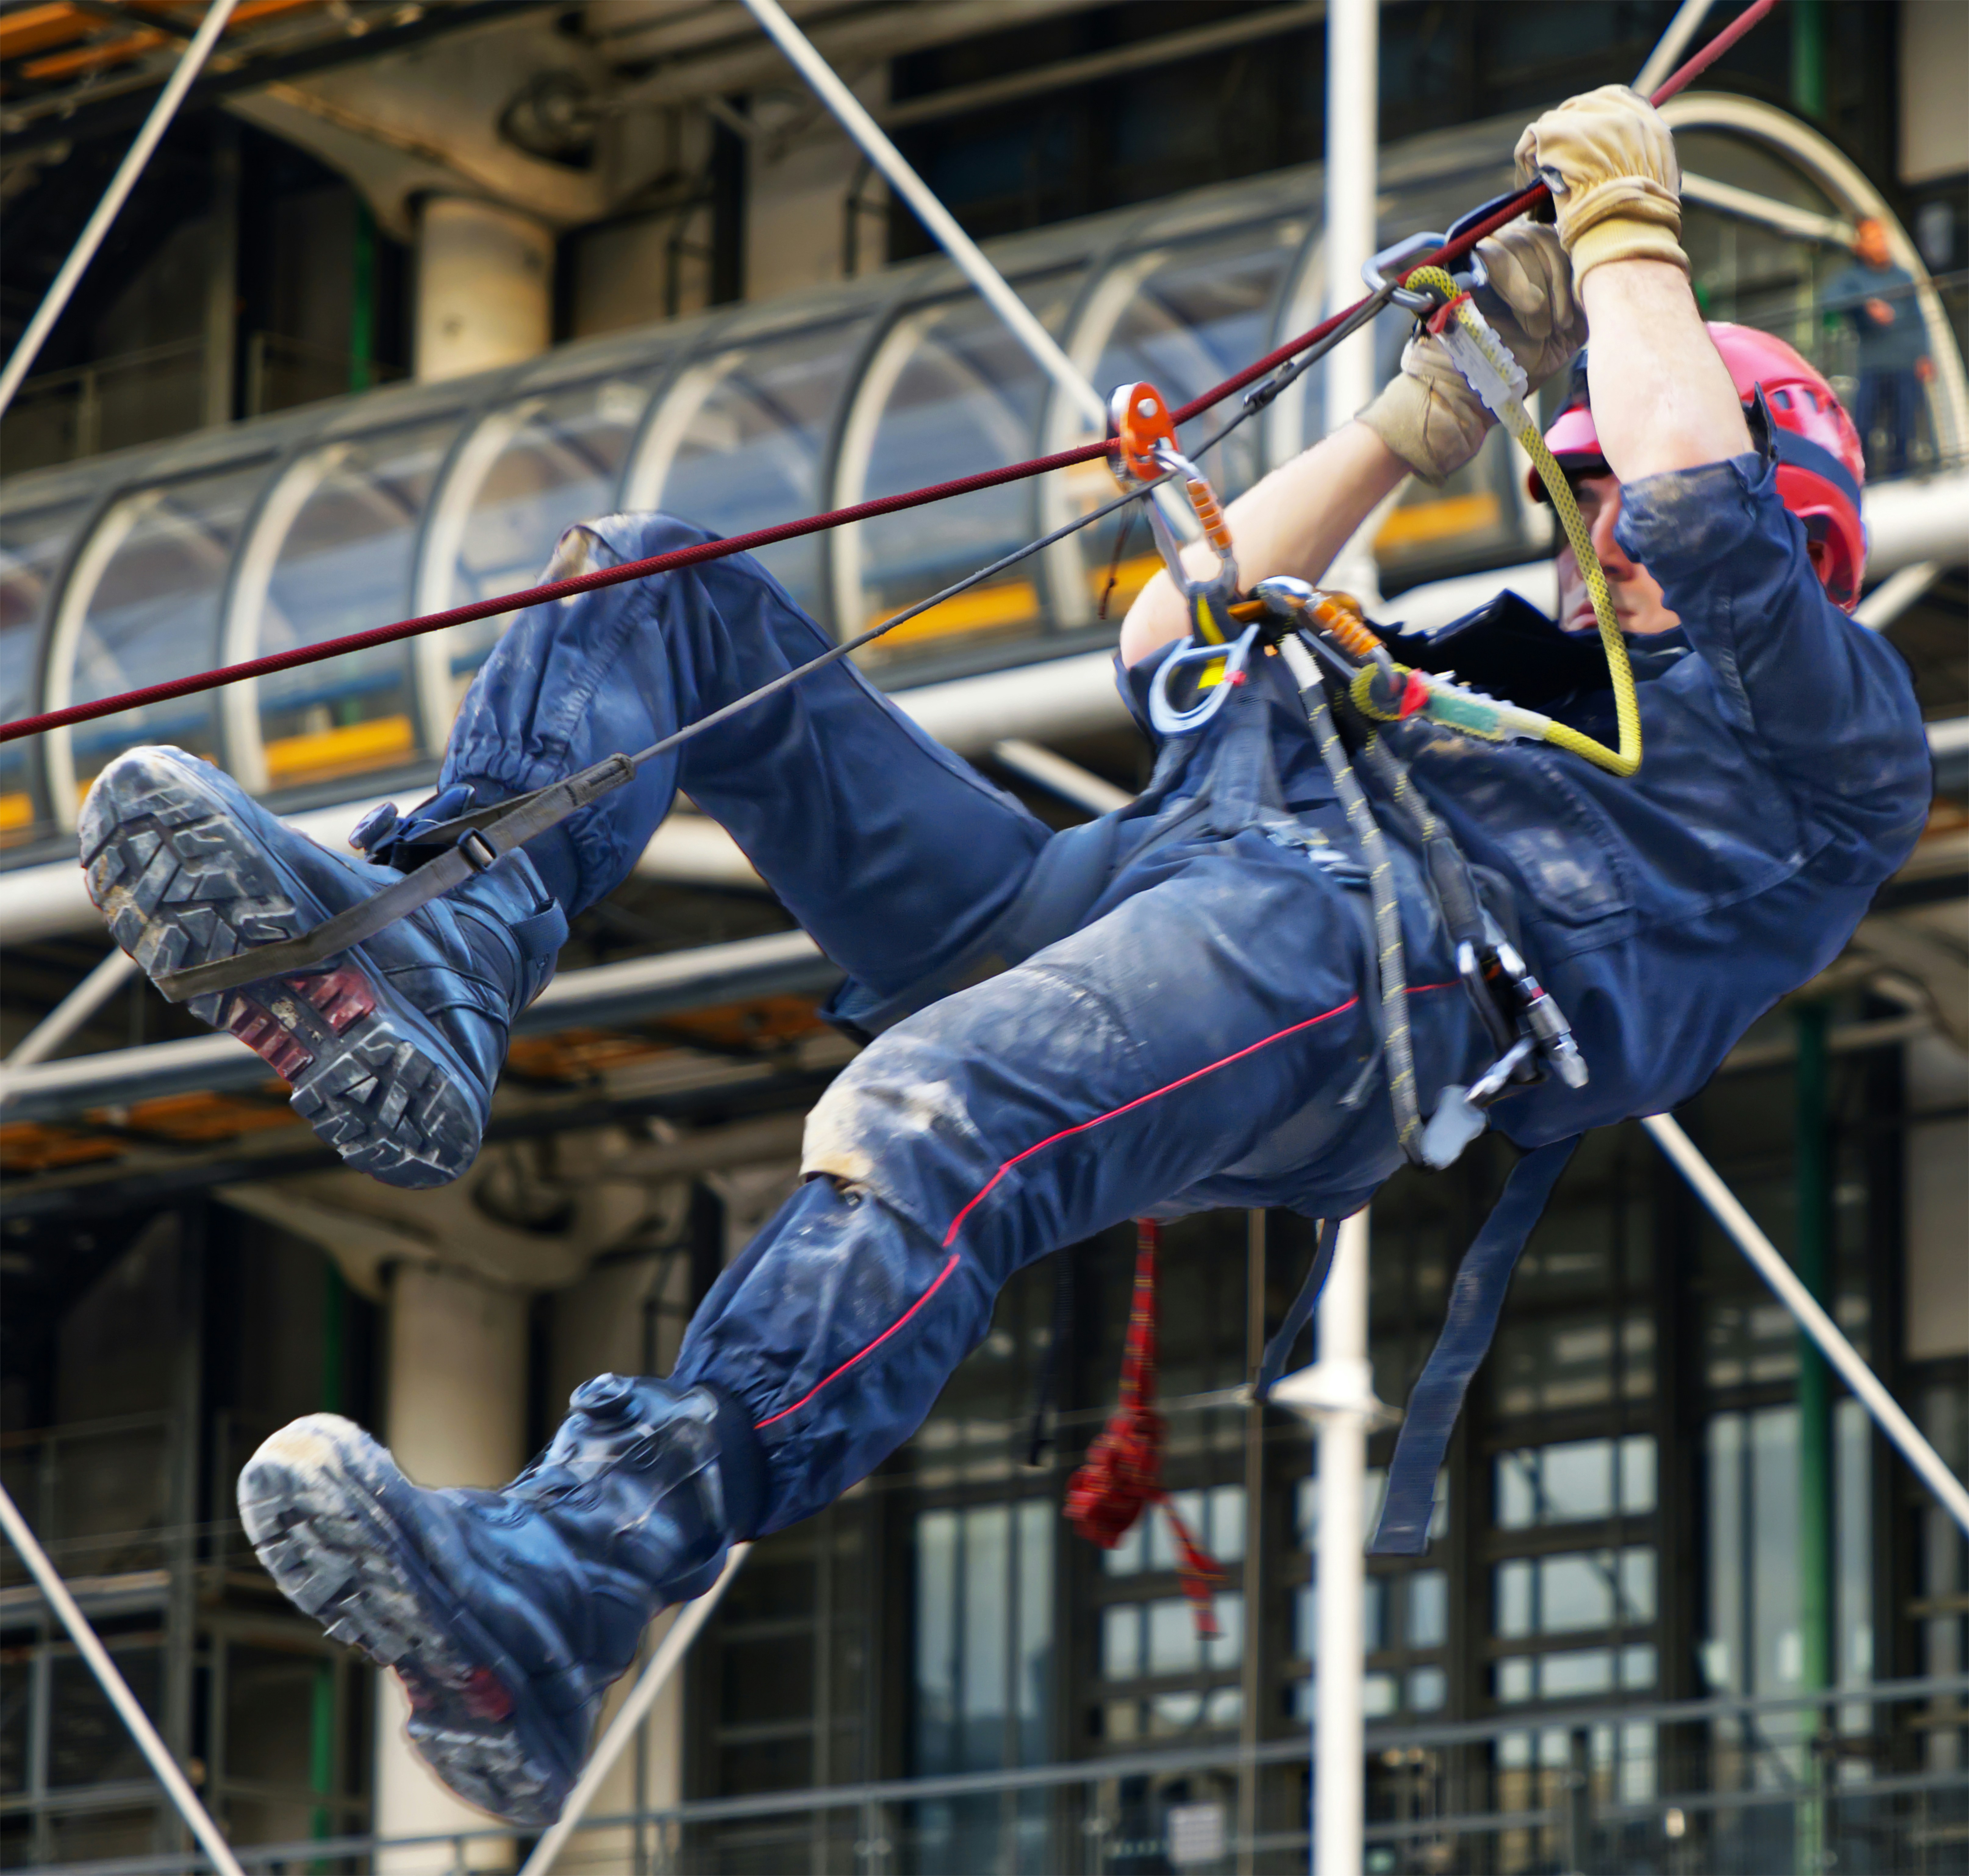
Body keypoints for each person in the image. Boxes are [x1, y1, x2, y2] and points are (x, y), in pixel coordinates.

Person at [80, 88, 1928, 1826]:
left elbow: (1700, 508)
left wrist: (1626, 235)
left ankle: (576, 1566)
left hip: (1354, 967)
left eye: (1622, 487)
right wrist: (1410, 424)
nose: (1604, 524)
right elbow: (1163, 636)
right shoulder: (1496, 663)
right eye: (1575, 487)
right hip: (1133, 885)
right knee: (654, 584)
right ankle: (443, 934)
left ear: (1809, 525)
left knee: (928, 1110)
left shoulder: (1822, 754)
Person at [1823, 215, 1935, 478]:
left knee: (1903, 426)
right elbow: (1829, 300)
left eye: (1880, 237)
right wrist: (1866, 304)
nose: (1878, 244)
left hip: (1904, 361)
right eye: (1871, 239)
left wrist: (1924, 355)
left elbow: (1918, 319)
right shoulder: (1852, 278)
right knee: (1864, 425)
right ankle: (1869, 480)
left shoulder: (1902, 276)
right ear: (1860, 244)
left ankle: (1904, 478)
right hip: (1872, 364)